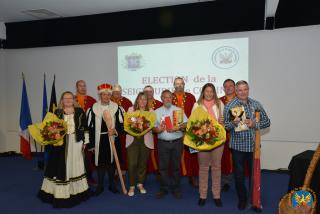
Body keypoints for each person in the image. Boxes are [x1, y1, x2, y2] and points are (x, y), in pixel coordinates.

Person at [38, 91, 90, 208]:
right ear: (62, 100)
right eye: (65, 98)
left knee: (75, 164)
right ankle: (61, 192)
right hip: (60, 144)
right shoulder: (57, 112)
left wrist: (85, 142)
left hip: (76, 142)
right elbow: (51, 128)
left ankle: (76, 191)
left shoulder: (80, 111)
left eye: (70, 98)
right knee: (61, 166)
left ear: (73, 100)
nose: (68, 100)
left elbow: (85, 127)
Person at [224, 80, 270, 211]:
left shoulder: (256, 104)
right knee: (239, 176)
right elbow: (226, 126)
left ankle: (254, 199)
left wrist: (254, 124)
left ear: (248, 90)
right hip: (238, 147)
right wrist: (234, 123)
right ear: (236, 91)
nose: (243, 92)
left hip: (253, 146)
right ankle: (242, 199)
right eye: (240, 90)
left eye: (245, 89)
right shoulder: (230, 106)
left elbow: (267, 122)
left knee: (254, 175)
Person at [87, 83, 124, 196]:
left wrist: (115, 131)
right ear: (100, 96)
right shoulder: (93, 109)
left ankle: (112, 184)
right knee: (100, 163)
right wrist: (92, 145)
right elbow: (89, 128)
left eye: (108, 95)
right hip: (99, 140)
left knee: (112, 163)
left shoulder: (116, 108)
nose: (106, 97)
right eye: (104, 95)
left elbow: (121, 125)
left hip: (112, 139)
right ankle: (100, 185)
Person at [192, 83, 225, 207]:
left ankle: (216, 195)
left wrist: (222, 122)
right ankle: (203, 195)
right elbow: (193, 123)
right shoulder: (197, 105)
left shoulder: (220, 104)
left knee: (217, 167)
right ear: (203, 92)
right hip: (203, 141)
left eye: (211, 91)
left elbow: (224, 122)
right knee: (204, 168)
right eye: (207, 91)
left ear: (214, 92)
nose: (209, 93)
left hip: (217, 140)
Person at [153, 90, 187, 199]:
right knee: (163, 167)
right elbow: (153, 127)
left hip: (177, 142)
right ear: (162, 98)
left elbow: (186, 123)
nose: (167, 99)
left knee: (176, 167)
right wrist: (157, 130)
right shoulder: (156, 112)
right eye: (165, 97)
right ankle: (164, 188)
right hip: (163, 143)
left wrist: (178, 127)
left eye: (169, 97)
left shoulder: (178, 110)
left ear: (172, 98)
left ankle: (176, 188)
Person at [126, 92, 154, 196]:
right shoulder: (130, 109)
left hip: (145, 140)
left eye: (145, 99)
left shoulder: (151, 111)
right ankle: (132, 185)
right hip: (132, 140)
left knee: (143, 163)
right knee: (132, 163)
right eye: (140, 99)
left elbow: (152, 125)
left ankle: (140, 184)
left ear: (147, 101)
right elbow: (128, 124)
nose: (142, 101)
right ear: (137, 100)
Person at [172, 77, 198, 187]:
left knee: (191, 154)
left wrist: (188, 126)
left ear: (184, 85)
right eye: (176, 84)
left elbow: (195, 113)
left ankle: (192, 176)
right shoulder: (169, 97)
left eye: (181, 84)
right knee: (174, 155)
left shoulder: (191, 97)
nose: (179, 86)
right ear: (174, 85)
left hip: (188, 130)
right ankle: (175, 178)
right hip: (173, 131)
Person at [75, 80, 97, 185]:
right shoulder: (72, 100)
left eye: (84, 86)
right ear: (76, 87)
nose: (83, 88)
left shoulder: (91, 100)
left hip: (89, 132)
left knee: (88, 155)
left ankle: (89, 176)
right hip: (76, 132)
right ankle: (77, 177)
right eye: (80, 86)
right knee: (76, 155)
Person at [219, 79, 236, 192]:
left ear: (234, 87)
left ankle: (238, 180)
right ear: (223, 88)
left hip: (238, 135)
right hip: (223, 135)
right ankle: (225, 182)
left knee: (237, 160)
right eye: (226, 86)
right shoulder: (219, 101)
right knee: (224, 160)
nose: (228, 88)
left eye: (230, 86)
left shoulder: (240, 100)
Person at [111, 84, 133, 172]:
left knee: (123, 151)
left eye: (118, 92)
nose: (116, 94)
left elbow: (131, 116)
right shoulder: (108, 100)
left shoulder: (127, 101)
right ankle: (114, 169)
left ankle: (122, 168)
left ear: (121, 92)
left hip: (124, 132)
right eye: (115, 92)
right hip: (111, 131)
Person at [143, 85, 162, 174]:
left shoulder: (159, 103)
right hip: (145, 133)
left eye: (150, 91)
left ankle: (158, 171)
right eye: (146, 91)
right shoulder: (141, 104)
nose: (148, 93)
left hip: (157, 133)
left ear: (153, 92)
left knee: (158, 153)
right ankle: (145, 171)